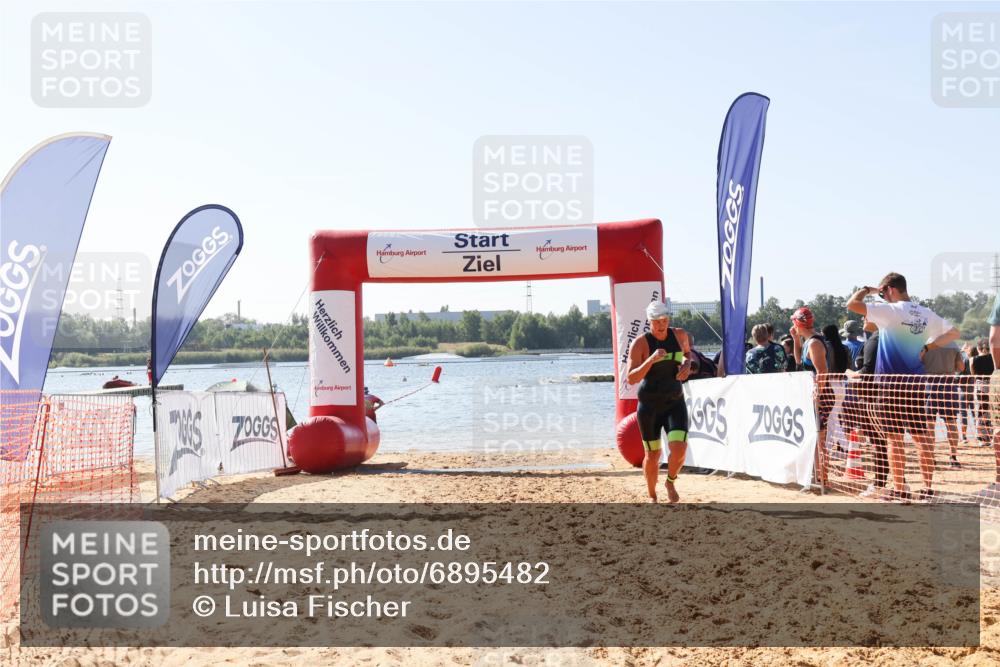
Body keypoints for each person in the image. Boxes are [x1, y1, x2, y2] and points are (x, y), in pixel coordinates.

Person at [846, 273, 960, 502]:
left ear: (890, 290)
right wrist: (928, 347)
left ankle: (900, 489)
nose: (883, 296)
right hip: (916, 384)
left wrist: (867, 290)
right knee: (922, 438)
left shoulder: (891, 311)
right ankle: (927, 489)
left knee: (894, 439)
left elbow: (852, 304)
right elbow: (955, 332)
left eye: (883, 292)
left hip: (890, 384)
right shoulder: (925, 312)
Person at [626, 301, 693, 503]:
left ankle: (670, 482)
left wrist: (687, 364)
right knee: (653, 454)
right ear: (649, 322)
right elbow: (631, 378)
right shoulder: (640, 343)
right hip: (649, 407)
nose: (661, 325)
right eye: (657, 322)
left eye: (664, 320)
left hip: (675, 402)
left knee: (680, 448)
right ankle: (652, 495)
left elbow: (688, 353)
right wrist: (651, 360)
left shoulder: (680, 335)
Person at [846, 316, 890, 498]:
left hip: (872, 398)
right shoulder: (887, 338)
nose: (863, 320)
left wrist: (850, 373)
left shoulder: (875, 339)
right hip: (881, 395)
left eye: (866, 316)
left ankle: (879, 484)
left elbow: (867, 371)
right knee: (887, 443)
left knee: (879, 444)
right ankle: (894, 484)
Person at [923, 340, 965, 468]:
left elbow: (918, 362)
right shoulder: (952, 344)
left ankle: (931, 456)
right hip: (948, 385)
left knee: (929, 424)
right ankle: (953, 457)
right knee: (951, 422)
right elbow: (961, 367)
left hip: (930, 384)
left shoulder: (925, 343)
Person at [972, 337, 996, 445]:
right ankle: (991, 436)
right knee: (991, 410)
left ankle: (982, 437)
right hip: (992, 385)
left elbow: (973, 374)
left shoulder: (974, 359)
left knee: (981, 409)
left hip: (980, 385)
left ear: (978, 348)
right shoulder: (993, 358)